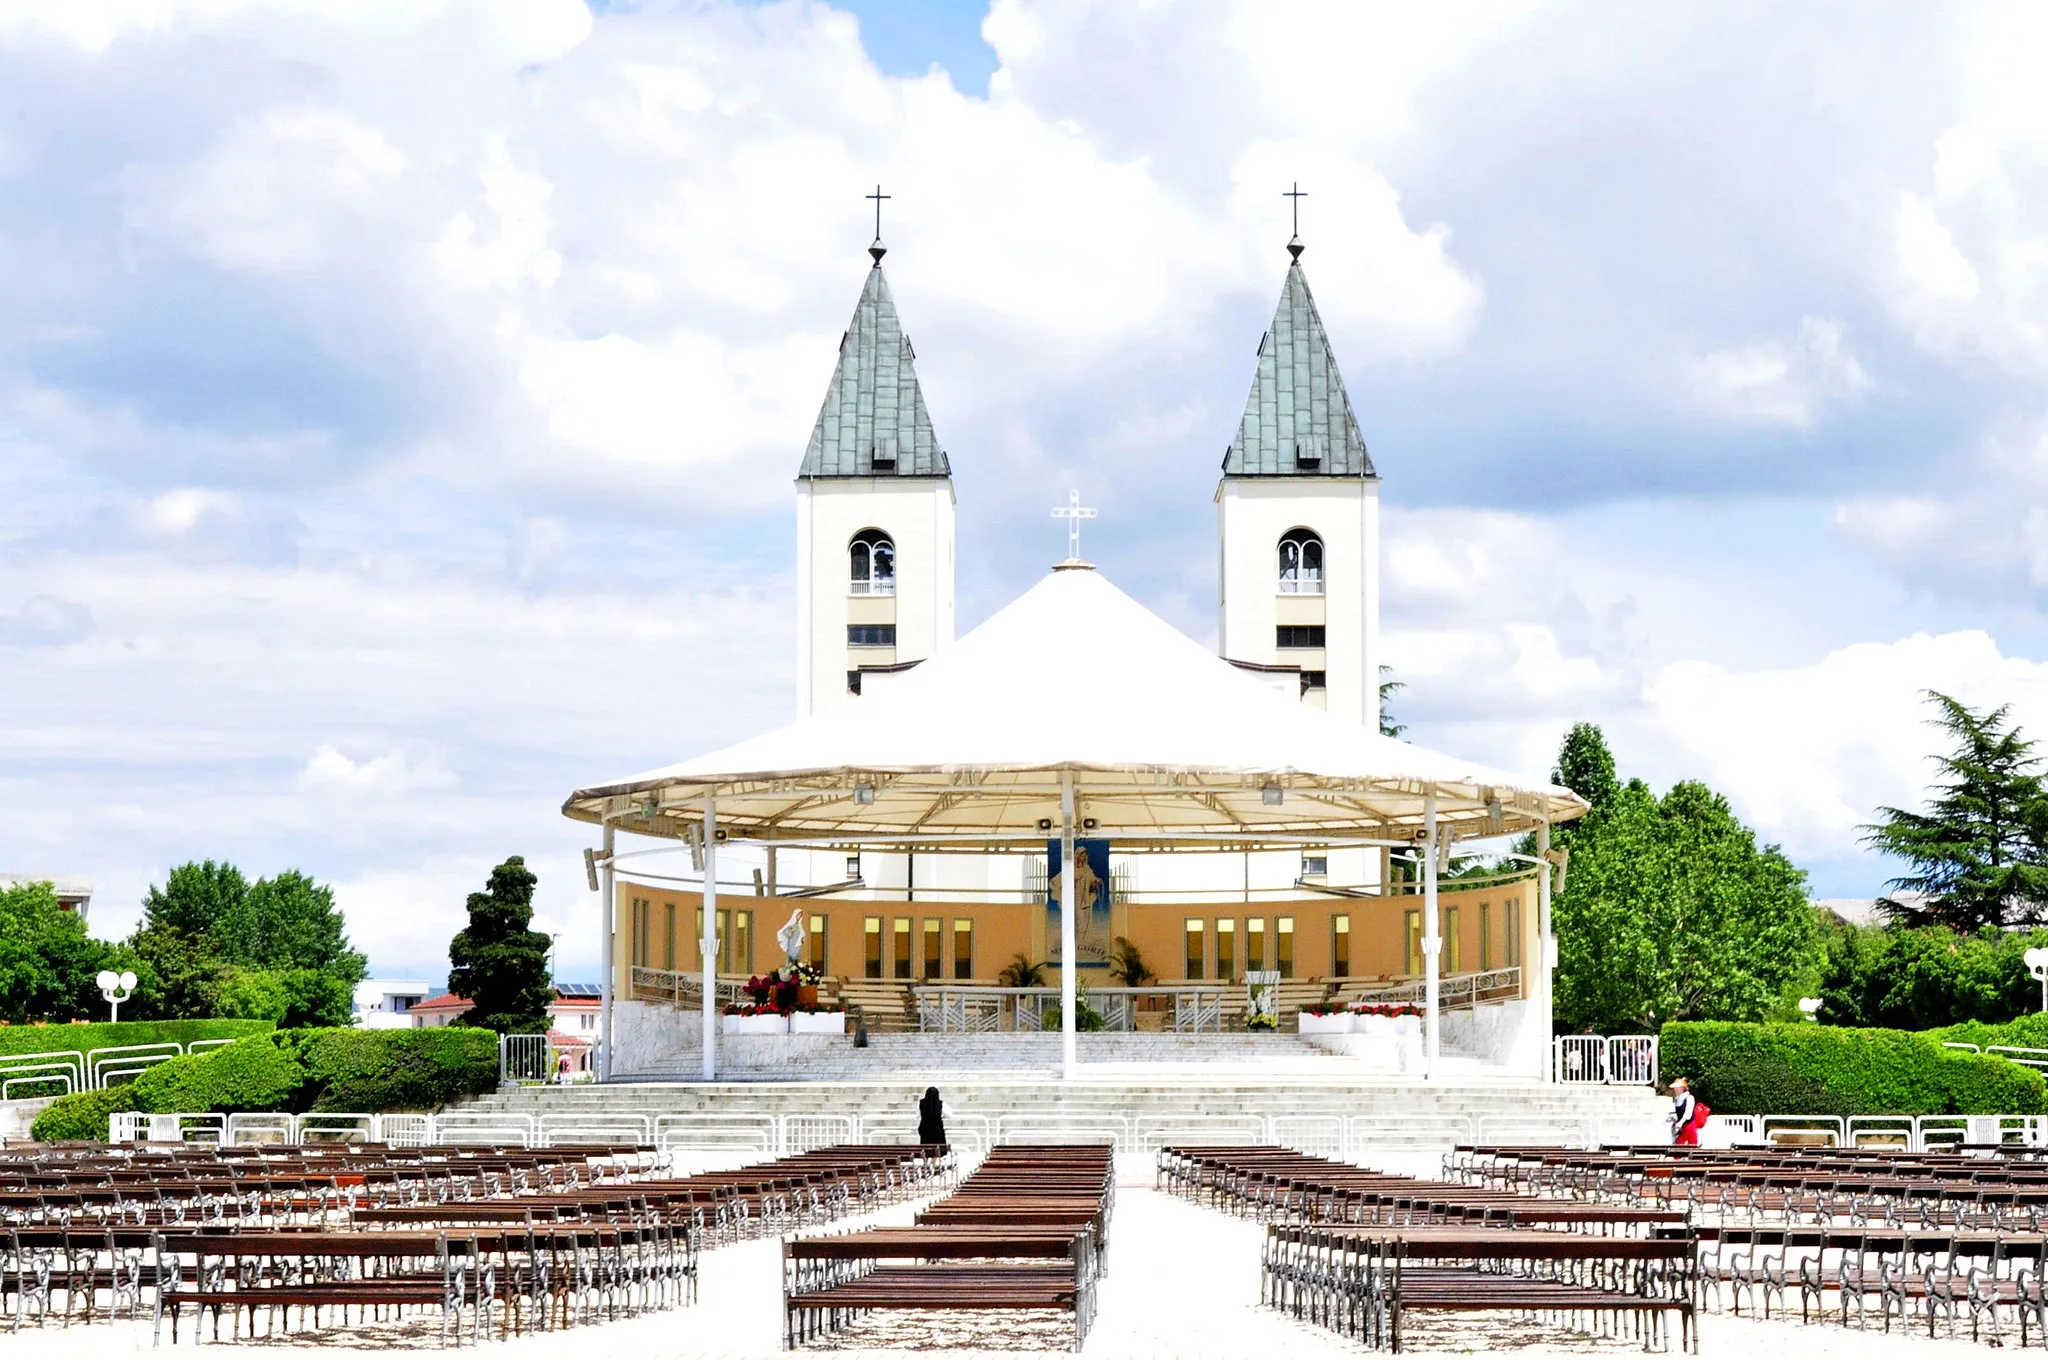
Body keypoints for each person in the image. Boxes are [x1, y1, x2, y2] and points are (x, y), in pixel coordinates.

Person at [1670, 1077, 1704, 1146]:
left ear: (1682, 1088)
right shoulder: (1677, 1099)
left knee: (1692, 1146)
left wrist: (1681, 1122)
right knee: (1678, 1147)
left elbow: (1688, 1113)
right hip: (1682, 1127)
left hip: (1689, 1125)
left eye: (1677, 1087)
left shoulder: (1689, 1098)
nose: (1675, 1089)